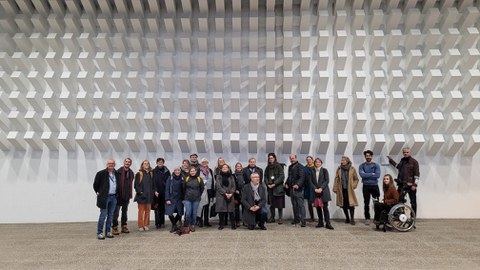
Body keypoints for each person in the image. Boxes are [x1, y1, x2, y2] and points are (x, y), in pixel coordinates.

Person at [387, 147, 420, 214]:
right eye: (404, 152)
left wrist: (415, 185)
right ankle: (401, 216)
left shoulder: (414, 162)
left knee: (413, 203)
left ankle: (412, 219)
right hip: (402, 185)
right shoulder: (402, 161)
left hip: (411, 186)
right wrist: (391, 160)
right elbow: (397, 166)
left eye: (407, 152)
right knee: (398, 201)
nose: (405, 153)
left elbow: (417, 174)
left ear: (409, 152)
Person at [93, 159, 120, 240]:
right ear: (107, 164)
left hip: (113, 197)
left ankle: (108, 231)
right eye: (109, 163)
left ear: (114, 164)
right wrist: (100, 193)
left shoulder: (117, 173)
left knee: (111, 215)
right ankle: (100, 233)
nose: (110, 164)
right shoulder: (101, 173)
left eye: (112, 163)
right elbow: (95, 185)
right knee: (103, 215)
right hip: (105, 197)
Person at [333, 156, 359, 225]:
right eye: (341, 160)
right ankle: (347, 218)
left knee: (351, 204)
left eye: (343, 160)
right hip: (342, 189)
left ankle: (352, 219)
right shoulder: (339, 169)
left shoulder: (352, 169)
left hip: (349, 190)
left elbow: (356, 179)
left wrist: (353, 186)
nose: (342, 161)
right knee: (343, 204)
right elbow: (336, 179)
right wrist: (335, 188)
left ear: (347, 161)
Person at [310, 158, 334, 230]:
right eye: (316, 162)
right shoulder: (312, 171)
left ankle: (328, 223)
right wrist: (315, 189)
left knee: (325, 208)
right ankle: (320, 222)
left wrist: (321, 188)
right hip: (316, 192)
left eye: (319, 162)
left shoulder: (324, 170)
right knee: (318, 207)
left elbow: (327, 181)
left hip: (323, 191)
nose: (317, 163)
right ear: (314, 163)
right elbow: (310, 181)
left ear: (321, 163)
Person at [112, 158, 134, 235]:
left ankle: (124, 226)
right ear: (124, 162)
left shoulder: (131, 173)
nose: (127, 163)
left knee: (124, 212)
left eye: (129, 162)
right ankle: (114, 227)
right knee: (116, 212)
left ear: (130, 164)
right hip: (118, 196)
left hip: (126, 196)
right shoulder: (118, 172)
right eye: (126, 161)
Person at [359, 150, 381, 225]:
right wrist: (372, 173)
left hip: (375, 186)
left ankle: (377, 218)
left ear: (371, 156)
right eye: (366, 155)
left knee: (376, 203)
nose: (368, 157)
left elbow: (377, 175)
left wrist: (367, 175)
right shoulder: (362, 166)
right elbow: (362, 175)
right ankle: (367, 218)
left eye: (369, 155)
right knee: (366, 203)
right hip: (366, 186)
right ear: (365, 156)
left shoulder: (376, 165)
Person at [285, 154, 306, 227]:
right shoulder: (290, 167)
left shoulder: (301, 167)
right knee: (294, 205)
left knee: (300, 205)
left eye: (293, 158)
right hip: (291, 189)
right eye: (290, 158)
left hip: (298, 189)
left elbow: (302, 177)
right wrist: (286, 183)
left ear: (296, 158)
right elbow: (289, 177)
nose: (292, 160)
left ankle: (303, 221)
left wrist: (298, 184)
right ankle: (296, 219)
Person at [264, 153, 286, 224]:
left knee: (280, 205)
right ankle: (272, 217)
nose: (270, 159)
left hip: (278, 189)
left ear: (274, 158)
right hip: (270, 189)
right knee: (272, 204)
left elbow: (282, 177)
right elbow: (265, 176)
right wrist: (267, 184)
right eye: (269, 158)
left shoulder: (279, 166)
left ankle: (280, 218)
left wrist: (274, 184)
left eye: (272, 158)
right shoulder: (268, 167)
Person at [134, 160, 155, 231]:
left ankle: (146, 225)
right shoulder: (139, 174)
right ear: (142, 165)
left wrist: (153, 192)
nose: (146, 164)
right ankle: (140, 225)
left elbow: (153, 185)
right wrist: (140, 192)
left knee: (148, 211)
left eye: (147, 163)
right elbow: (136, 185)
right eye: (145, 163)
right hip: (141, 196)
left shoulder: (151, 174)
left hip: (149, 196)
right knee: (141, 211)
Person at [183, 167, 204, 232]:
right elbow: (183, 188)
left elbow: (202, 188)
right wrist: (185, 196)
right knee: (188, 213)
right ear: (189, 172)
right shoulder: (186, 178)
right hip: (187, 198)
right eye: (191, 171)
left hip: (196, 199)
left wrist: (198, 195)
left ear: (196, 171)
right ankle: (188, 225)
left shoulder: (199, 179)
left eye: (193, 171)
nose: (192, 172)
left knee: (194, 213)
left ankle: (193, 225)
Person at [215, 164, 237, 230]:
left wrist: (230, 193)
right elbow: (218, 186)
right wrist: (225, 193)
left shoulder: (231, 176)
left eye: (226, 167)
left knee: (231, 211)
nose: (224, 168)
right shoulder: (218, 176)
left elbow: (234, 186)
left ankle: (233, 225)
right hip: (221, 195)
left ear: (228, 168)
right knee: (221, 211)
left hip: (230, 195)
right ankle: (221, 225)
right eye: (223, 167)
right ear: (221, 169)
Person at [152, 157, 171, 229]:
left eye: (161, 162)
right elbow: (153, 181)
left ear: (163, 163)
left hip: (164, 192)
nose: (160, 163)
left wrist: (167, 191)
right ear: (157, 163)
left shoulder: (166, 171)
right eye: (159, 162)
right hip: (156, 193)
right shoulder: (153, 171)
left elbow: (169, 182)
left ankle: (162, 222)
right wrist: (155, 190)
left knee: (162, 208)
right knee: (156, 208)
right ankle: (157, 223)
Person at [165, 167, 185, 233]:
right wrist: (167, 199)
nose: (177, 171)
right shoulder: (170, 178)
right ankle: (174, 225)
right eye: (176, 170)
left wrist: (184, 198)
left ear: (180, 171)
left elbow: (185, 189)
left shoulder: (183, 178)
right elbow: (167, 189)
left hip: (180, 198)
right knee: (169, 212)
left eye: (178, 170)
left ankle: (174, 226)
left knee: (180, 213)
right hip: (171, 198)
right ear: (173, 171)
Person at [197, 158, 214, 227]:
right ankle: (200, 221)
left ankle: (206, 221)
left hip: (209, 190)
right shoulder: (198, 170)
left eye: (206, 162)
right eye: (203, 162)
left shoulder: (210, 170)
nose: (204, 163)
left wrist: (213, 191)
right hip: (201, 190)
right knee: (201, 205)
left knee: (207, 206)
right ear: (201, 163)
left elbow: (213, 181)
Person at [233, 162, 246, 227]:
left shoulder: (244, 175)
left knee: (244, 208)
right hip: (236, 195)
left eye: (240, 166)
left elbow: (247, 184)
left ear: (241, 167)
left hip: (243, 194)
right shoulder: (233, 175)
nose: (238, 167)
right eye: (237, 166)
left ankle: (244, 221)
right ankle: (237, 221)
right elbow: (232, 184)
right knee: (236, 208)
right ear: (235, 167)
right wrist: (235, 190)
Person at [304, 156, 315, 222]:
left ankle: (320, 217)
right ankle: (312, 217)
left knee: (318, 202)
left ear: (312, 160)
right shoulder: (305, 168)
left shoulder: (315, 167)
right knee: (309, 203)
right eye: (307, 160)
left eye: (310, 159)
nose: (309, 161)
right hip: (307, 187)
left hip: (315, 187)